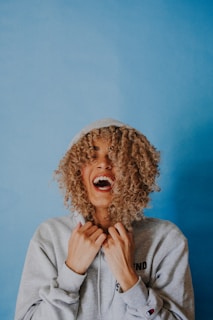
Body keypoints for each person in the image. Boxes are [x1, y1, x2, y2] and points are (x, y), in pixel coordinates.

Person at [15, 118, 194, 320]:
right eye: (91, 155)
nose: (103, 164)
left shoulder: (167, 240)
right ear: (77, 172)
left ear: (134, 170)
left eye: (115, 156)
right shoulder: (48, 237)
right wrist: (71, 273)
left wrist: (130, 281)